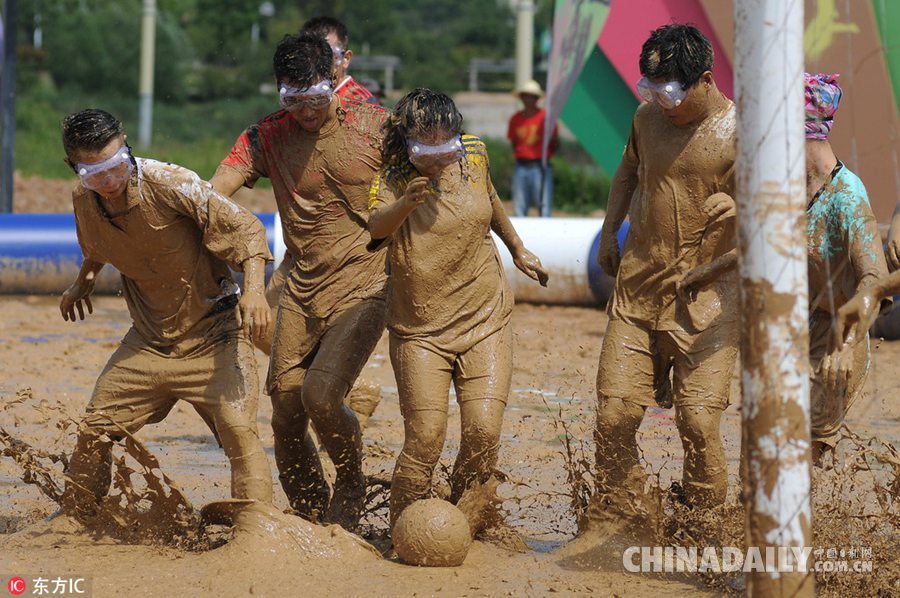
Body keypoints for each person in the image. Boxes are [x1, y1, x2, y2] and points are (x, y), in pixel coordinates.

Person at [57, 109, 273, 518]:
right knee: (94, 432)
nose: (108, 180)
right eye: (93, 172)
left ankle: (258, 528)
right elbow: (97, 245)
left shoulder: (171, 182)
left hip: (215, 333)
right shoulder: (84, 200)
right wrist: (83, 279)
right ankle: (77, 518)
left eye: (115, 165)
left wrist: (255, 291)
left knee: (240, 433)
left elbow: (248, 229)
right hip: (149, 342)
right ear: (75, 168)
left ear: (126, 148)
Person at [211, 33, 388, 530]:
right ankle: (310, 514)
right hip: (301, 287)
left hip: (367, 283)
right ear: (279, 91)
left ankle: (351, 483)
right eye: (293, 100)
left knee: (321, 398)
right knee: (286, 408)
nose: (305, 111)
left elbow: (433, 177)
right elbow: (214, 196)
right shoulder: (266, 135)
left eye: (314, 98)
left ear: (334, 80)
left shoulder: (376, 125)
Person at [680, 73, 890, 463]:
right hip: (792, 334)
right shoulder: (790, 190)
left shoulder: (847, 196)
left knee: (786, 467)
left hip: (833, 345)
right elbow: (767, 246)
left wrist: (843, 348)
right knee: (755, 464)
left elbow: (874, 280)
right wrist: (707, 272)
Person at [368, 89, 549, 528]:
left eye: (445, 147)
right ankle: (402, 528)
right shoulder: (392, 175)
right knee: (426, 440)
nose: (437, 159)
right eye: (425, 151)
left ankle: (468, 517)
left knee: (483, 433)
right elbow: (374, 227)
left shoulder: (475, 156)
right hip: (420, 331)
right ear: (408, 143)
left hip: (484, 316)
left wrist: (518, 248)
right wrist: (404, 204)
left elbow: (492, 203)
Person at [592, 24, 738, 520]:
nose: (659, 100)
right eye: (648, 88)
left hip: (709, 301)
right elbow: (627, 173)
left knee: (697, 422)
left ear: (704, 79)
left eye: (669, 90)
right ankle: (623, 517)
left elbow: (773, 218)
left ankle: (703, 526)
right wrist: (610, 231)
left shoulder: (741, 133)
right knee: (614, 417)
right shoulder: (645, 117)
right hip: (636, 291)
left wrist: (738, 210)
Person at [507, 79, 558, 217]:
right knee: (519, 206)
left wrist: (547, 156)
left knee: (544, 206)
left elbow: (554, 142)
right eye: (525, 96)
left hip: (540, 165)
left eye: (531, 96)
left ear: (536, 98)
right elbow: (514, 142)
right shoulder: (515, 119)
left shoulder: (545, 118)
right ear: (522, 98)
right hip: (521, 165)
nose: (528, 99)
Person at [301, 16, 379, 105]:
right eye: (310, 55)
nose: (318, 64)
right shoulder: (297, 97)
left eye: (327, 55)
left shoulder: (364, 104)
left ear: (346, 59)